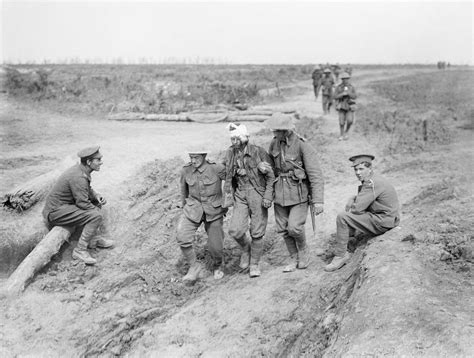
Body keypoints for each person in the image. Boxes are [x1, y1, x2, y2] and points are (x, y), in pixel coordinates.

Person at [265, 113, 324, 272]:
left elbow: (315, 173)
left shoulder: (303, 145)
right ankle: (293, 257)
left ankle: (304, 251)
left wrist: (318, 200)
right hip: (279, 193)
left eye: (277, 131)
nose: (274, 133)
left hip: (298, 193)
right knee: (283, 229)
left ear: (286, 131)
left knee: (294, 228)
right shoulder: (274, 144)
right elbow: (271, 170)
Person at [325, 154, 400, 272]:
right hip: (387, 218)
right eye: (356, 169)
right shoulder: (374, 179)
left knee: (342, 217)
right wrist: (354, 197)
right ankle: (350, 238)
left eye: (361, 169)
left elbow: (357, 209)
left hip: (383, 221)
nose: (358, 173)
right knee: (352, 215)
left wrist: (352, 200)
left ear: (370, 168)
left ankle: (341, 255)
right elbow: (364, 199)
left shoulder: (371, 183)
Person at [42, 146, 113, 265]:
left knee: (96, 203)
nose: (101, 162)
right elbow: (82, 203)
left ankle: (92, 240)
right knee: (95, 215)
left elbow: (86, 188)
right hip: (55, 212)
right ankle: (80, 251)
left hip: (64, 207)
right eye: (98, 160)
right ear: (89, 162)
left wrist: (96, 195)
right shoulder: (78, 176)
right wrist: (96, 212)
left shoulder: (81, 171)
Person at [223, 123, 274, 278]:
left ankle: (254, 264)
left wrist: (267, 196)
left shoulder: (258, 152)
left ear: (244, 137)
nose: (234, 142)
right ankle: (246, 248)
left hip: (257, 192)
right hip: (240, 193)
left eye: (237, 138)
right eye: (232, 139)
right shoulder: (230, 153)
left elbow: (271, 176)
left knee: (257, 231)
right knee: (235, 230)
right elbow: (224, 171)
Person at [177, 147, 227, 284]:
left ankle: (218, 264)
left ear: (204, 156)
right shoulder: (185, 170)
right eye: (191, 157)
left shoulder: (217, 169)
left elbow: (231, 181)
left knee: (215, 246)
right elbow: (184, 191)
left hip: (214, 210)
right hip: (193, 209)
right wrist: (184, 206)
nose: (193, 161)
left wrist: (227, 201)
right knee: (182, 236)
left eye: (196, 158)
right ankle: (194, 266)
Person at [333, 72, 357, 140]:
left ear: (348, 79)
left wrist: (349, 93)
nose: (345, 80)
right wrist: (342, 94)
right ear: (342, 80)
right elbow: (335, 96)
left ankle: (346, 132)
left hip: (349, 106)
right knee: (341, 122)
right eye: (343, 79)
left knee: (350, 121)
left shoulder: (351, 87)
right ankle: (341, 134)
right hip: (341, 106)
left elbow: (355, 96)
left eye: (346, 79)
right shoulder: (338, 87)